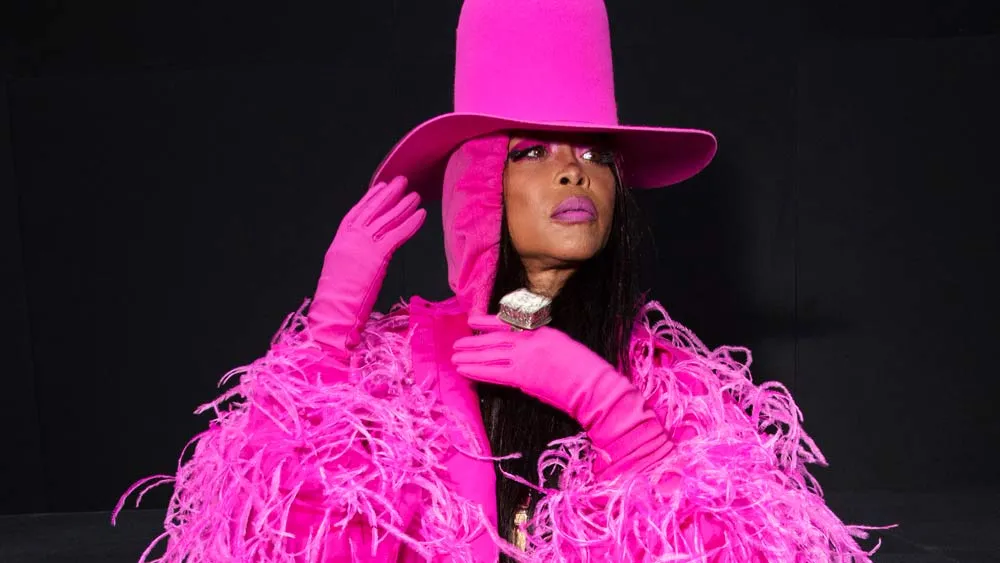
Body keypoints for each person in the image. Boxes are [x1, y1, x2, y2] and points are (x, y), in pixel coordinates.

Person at [114, 0, 884, 561]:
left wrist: (613, 410)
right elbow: (267, 533)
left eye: (593, 152)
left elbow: (742, 546)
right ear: (479, 186)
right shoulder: (397, 372)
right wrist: (329, 330)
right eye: (531, 151)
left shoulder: (671, 385)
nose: (573, 170)